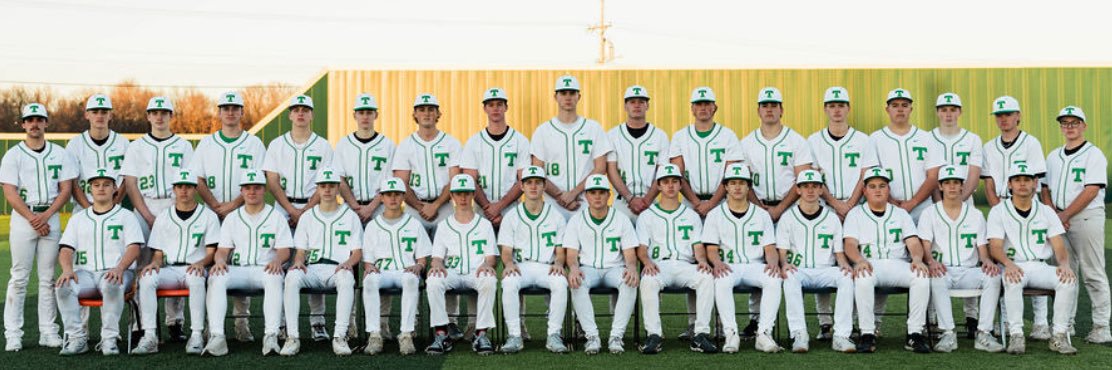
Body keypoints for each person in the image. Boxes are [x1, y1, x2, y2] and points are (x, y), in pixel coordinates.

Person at [191, 91, 267, 341]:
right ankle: (206, 325)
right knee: (213, 266)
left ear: (242, 112)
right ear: (219, 112)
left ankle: (241, 322)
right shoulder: (207, 143)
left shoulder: (254, 143)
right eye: (226, 108)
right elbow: (197, 178)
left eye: (235, 108)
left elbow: (258, 180)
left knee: (241, 263)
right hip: (213, 213)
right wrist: (214, 205)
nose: (231, 112)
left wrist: (234, 204)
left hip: (243, 212)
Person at [1, 103, 75, 351]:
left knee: (47, 278)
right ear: (22, 124)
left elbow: (66, 189)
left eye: (39, 119)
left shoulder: (60, 153)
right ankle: (13, 334)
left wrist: (46, 215)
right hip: (24, 217)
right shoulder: (13, 154)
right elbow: (9, 191)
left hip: (50, 214)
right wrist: (33, 217)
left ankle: (48, 331)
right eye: (29, 119)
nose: (34, 123)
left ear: (46, 122)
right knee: (19, 277)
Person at [122, 96, 195, 340]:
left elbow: (189, 181)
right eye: (155, 112)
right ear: (148, 116)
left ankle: (175, 322)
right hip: (145, 204)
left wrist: (174, 213)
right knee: (141, 267)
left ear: (171, 116)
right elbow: (130, 184)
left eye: (164, 112)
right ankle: (140, 324)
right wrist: (146, 214)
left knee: (176, 262)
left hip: (174, 205)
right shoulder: (136, 146)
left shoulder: (183, 145)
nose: (159, 116)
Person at [988, 163, 1078, 355]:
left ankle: (1059, 336)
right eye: (1017, 180)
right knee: (1012, 280)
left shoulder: (1046, 211)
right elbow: (994, 247)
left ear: (1035, 183)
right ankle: (1016, 335)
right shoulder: (999, 211)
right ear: (1010, 184)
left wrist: (1064, 264)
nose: (1022, 184)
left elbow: (1059, 246)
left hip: (1039, 266)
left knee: (1068, 280)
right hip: (1012, 265)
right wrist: (1008, 264)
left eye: (1027, 180)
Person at [1041, 105, 1110, 344]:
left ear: (1084, 125)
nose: (1069, 127)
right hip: (1060, 219)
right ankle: (1065, 324)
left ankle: (1102, 326)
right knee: (1065, 273)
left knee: (1093, 273)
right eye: (1065, 123)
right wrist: (1054, 214)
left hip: (1087, 217)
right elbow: (1045, 188)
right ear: (1061, 127)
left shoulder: (1094, 154)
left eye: (1074, 122)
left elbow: (1091, 190)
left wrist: (1064, 215)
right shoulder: (1052, 155)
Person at [54, 168, 142, 355]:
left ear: (115, 189)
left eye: (106, 184)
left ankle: (109, 339)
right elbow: (66, 249)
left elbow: (134, 247)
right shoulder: (78, 218)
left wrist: (119, 268)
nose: (101, 188)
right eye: (96, 185)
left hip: (116, 272)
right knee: (63, 286)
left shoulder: (126, 216)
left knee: (112, 284)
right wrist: (67, 270)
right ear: (90, 189)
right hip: (84, 274)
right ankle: (77, 338)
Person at [203, 169, 292, 356]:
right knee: (216, 277)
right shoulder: (232, 218)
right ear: (241, 191)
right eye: (247, 188)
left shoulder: (276, 216)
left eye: (257, 188)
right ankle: (217, 336)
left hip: (265, 268)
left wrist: (277, 260)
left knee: (275, 278)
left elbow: (285, 250)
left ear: (264, 190)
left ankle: (271, 336)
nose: (252, 192)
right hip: (238, 269)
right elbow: (223, 250)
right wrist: (219, 261)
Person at [843, 168, 932, 353]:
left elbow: (914, 242)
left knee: (921, 277)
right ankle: (867, 333)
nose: (878, 190)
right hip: (870, 263)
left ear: (888, 190)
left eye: (882, 186)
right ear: (865, 190)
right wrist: (858, 260)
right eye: (873, 186)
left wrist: (917, 258)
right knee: (862, 278)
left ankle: (914, 334)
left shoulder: (900, 214)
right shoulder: (856, 214)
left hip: (898, 263)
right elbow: (850, 244)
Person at [132, 169, 219, 355]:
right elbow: (158, 253)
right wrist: (155, 263)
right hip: (170, 268)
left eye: (188, 186)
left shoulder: (208, 216)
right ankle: (149, 336)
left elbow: (212, 253)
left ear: (195, 189)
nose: (184, 191)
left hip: (195, 268)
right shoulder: (164, 216)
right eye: (180, 186)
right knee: (146, 279)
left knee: (196, 280)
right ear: (174, 189)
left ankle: (196, 335)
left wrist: (202, 263)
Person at [918, 165, 1004, 353]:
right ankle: (948, 333)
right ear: (940, 186)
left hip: (969, 270)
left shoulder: (975, 214)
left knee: (993, 276)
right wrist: (930, 262)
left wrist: (987, 261)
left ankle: (984, 333)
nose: (951, 187)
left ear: (962, 186)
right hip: (943, 269)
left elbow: (982, 246)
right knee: (935, 277)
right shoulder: (930, 213)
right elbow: (924, 244)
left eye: (956, 183)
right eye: (947, 183)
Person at [281, 167, 363, 356]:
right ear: (317, 189)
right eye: (323, 186)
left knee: (346, 278)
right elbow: (301, 250)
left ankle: (340, 337)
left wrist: (349, 263)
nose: (327, 190)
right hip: (313, 268)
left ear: (338, 188)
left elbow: (357, 251)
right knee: (292, 277)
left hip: (338, 267)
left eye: (331, 186)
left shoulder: (350, 216)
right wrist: (299, 261)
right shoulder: (308, 217)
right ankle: (292, 336)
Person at [636, 164, 717, 354]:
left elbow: (698, 246)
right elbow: (641, 249)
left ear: (681, 185)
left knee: (706, 277)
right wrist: (646, 262)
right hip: (659, 265)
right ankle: (654, 335)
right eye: (665, 182)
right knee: (647, 280)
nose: (670, 186)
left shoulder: (691, 215)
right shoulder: (646, 216)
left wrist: (703, 261)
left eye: (674, 181)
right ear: (659, 186)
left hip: (684, 265)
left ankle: (700, 334)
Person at [704, 163, 784, 353]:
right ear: (726, 187)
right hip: (728, 266)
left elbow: (770, 248)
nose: (738, 187)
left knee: (774, 279)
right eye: (733, 183)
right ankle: (731, 334)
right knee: (722, 281)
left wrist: (773, 263)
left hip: (754, 265)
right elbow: (711, 249)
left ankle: (764, 333)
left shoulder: (762, 215)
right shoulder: (715, 215)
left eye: (742, 183)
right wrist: (716, 263)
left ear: (749, 187)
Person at [777, 169, 857, 353]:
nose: (810, 190)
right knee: (789, 277)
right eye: (805, 186)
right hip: (799, 269)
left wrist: (845, 265)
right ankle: (799, 334)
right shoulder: (788, 217)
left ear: (821, 190)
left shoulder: (832, 218)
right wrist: (783, 264)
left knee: (845, 277)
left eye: (815, 186)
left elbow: (838, 253)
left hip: (825, 269)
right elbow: (782, 250)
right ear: (798, 190)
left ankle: (841, 335)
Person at [564, 174, 645, 354]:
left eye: (602, 192)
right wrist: (574, 268)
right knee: (576, 282)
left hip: (614, 268)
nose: (597, 196)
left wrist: (632, 267)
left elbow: (630, 254)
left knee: (629, 281)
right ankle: (592, 336)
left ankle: (616, 336)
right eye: (593, 193)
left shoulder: (622, 218)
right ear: (586, 196)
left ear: (609, 195)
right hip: (588, 269)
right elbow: (571, 254)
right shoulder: (577, 220)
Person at [497, 166, 570, 353]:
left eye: (538, 182)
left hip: (547, 266)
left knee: (561, 282)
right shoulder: (511, 216)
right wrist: (509, 263)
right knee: (509, 282)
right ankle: (514, 335)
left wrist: (559, 263)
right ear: (521, 186)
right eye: (529, 182)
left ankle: (554, 335)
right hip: (521, 266)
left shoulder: (556, 215)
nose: (533, 186)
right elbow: (506, 250)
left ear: (545, 185)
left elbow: (560, 251)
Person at [424, 174, 499, 355]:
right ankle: (442, 334)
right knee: (433, 279)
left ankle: (480, 334)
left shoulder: (485, 224)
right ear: (452, 196)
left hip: (476, 271)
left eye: (466, 193)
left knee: (489, 279)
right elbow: (437, 257)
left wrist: (488, 265)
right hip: (453, 272)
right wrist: (437, 265)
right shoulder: (443, 225)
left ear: (473, 194)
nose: (463, 198)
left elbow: (491, 257)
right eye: (458, 194)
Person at [361, 177, 429, 356]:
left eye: (397, 195)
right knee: (369, 280)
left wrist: (419, 266)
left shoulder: (414, 224)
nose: (393, 199)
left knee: (410, 279)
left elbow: (422, 258)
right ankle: (374, 334)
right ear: (381, 198)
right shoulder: (372, 226)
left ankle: (406, 334)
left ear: (403, 197)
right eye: (388, 195)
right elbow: (367, 260)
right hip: (382, 271)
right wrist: (369, 268)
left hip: (405, 270)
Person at [530, 75, 612, 220]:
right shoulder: (542, 131)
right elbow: (537, 171)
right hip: (552, 205)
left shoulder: (593, 128)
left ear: (578, 96)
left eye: (572, 93)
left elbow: (600, 167)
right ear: (555, 97)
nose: (568, 97)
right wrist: (561, 196)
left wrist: (573, 193)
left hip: (585, 203)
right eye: (563, 93)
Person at [461, 87, 530, 226]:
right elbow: (470, 180)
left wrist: (499, 207)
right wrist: (489, 208)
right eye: (491, 105)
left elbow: (524, 179)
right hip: (481, 211)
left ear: (506, 107)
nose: (495, 108)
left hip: (512, 210)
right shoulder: (474, 142)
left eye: (499, 104)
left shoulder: (520, 140)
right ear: (485, 108)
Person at [605, 84, 669, 221]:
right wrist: (630, 198)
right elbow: (611, 170)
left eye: (641, 102)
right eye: (632, 102)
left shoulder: (660, 136)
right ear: (625, 106)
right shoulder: (612, 135)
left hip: (650, 202)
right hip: (622, 201)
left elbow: (662, 172)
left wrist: (647, 200)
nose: (637, 105)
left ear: (647, 106)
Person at [335, 93, 395, 223]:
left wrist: (370, 208)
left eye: (369, 112)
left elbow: (390, 181)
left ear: (376, 115)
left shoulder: (388, 145)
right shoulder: (343, 144)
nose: (365, 116)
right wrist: (355, 206)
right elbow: (339, 179)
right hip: (350, 208)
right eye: (361, 112)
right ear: (354, 115)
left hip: (379, 208)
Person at [65, 93, 128, 212]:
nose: (100, 116)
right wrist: (89, 210)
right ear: (87, 115)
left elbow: (128, 179)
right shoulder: (75, 144)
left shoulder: (123, 143)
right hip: (82, 209)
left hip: (115, 208)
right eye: (95, 112)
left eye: (104, 112)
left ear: (110, 115)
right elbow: (72, 182)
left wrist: (113, 205)